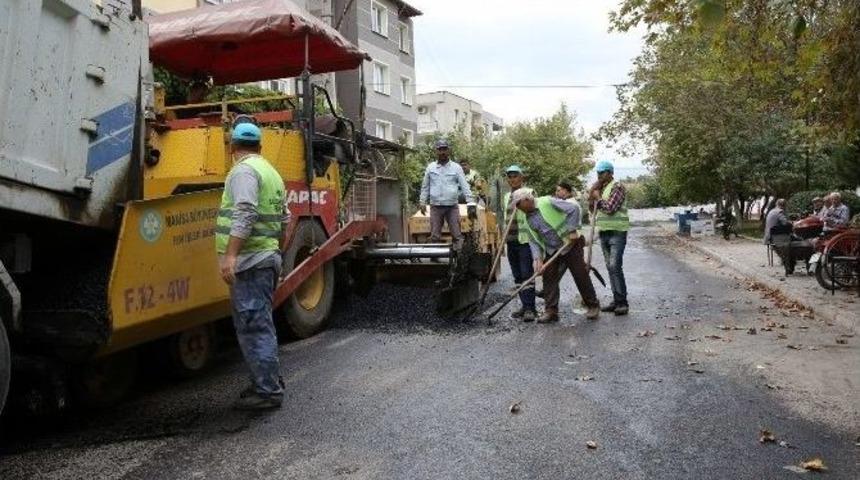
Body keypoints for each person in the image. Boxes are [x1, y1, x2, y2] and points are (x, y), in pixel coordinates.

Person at [216, 123, 290, 410]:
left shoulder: (244, 172)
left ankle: (268, 391)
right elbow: (285, 220)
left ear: (233, 147)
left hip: (250, 261)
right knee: (260, 322)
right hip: (266, 257)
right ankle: (267, 379)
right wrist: (278, 254)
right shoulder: (271, 172)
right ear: (260, 146)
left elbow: (244, 213)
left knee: (253, 326)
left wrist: (230, 256)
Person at [512, 189, 600, 322]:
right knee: (549, 278)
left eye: (518, 204)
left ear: (526, 200)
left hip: (569, 244)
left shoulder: (547, 202)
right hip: (552, 249)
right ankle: (551, 311)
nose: (517, 208)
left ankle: (593, 305)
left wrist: (571, 229)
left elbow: (574, 209)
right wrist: (538, 259)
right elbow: (533, 240)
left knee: (580, 274)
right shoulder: (527, 217)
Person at [589, 160, 630, 316]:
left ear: (610, 173)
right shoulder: (601, 189)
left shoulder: (617, 187)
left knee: (614, 266)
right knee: (610, 267)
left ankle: (622, 303)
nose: (599, 175)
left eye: (602, 172)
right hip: (604, 232)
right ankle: (616, 299)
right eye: (598, 173)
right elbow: (593, 210)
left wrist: (597, 197)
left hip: (617, 232)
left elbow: (610, 208)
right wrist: (591, 196)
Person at [419, 140, 474, 247]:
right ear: (436, 151)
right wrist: (422, 202)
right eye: (440, 149)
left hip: (452, 207)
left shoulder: (456, 168)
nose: (442, 152)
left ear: (448, 150)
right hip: (435, 206)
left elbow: (464, 185)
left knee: (457, 235)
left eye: (444, 149)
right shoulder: (430, 167)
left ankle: (459, 260)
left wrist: (470, 202)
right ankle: (435, 259)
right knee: (435, 236)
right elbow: (425, 186)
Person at [502, 165, 536, 322]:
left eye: (515, 176)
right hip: (510, 241)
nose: (512, 179)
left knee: (526, 274)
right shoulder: (506, 196)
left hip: (524, 241)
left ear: (522, 177)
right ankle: (524, 305)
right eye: (509, 176)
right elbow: (506, 218)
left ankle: (530, 308)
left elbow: (534, 212)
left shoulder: (529, 193)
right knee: (517, 276)